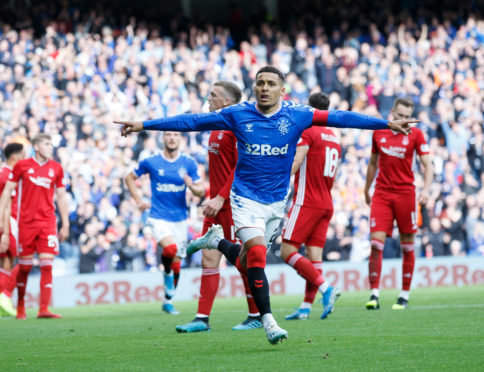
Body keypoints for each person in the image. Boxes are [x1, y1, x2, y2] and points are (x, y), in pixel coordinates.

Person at [114, 65, 416, 344]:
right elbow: (191, 121)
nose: (265, 88)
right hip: (244, 199)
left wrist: (385, 123)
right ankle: (268, 322)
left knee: (246, 261)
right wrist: (143, 124)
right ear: (254, 88)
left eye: (271, 83)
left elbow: (342, 117)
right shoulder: (237, 113)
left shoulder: (297, 115)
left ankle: (217, 242)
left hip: (275, 203)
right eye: (260, 83)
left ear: (282, 90)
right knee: (257, 254)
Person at [176, 81, 262, 333]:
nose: (208, 97)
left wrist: (221, 197)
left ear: (227, 102)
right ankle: (202, 318)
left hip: (233, 204)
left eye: (213, 95)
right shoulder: (216, 127)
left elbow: (242, 168)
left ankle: (256, 314)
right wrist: (207, 191)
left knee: (242, 261)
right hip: (215, 204)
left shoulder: (237, 128)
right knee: (208, 258)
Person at [364, 97, 433, 310]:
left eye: (407, 117)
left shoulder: (416, 134)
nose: (404, 120)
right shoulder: (379, 131)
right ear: (392, 112)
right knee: (376, 243)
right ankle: (374, 294)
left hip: (406, 194)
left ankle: (404, 295)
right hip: (382, 194)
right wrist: (367, 189)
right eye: (400, 116)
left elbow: (427, 164)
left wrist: (426, 190)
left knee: (407, 246)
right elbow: (373, 162)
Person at [124, 131, 204, 315]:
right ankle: (167, 276)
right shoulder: (152, 162)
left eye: (175, 134)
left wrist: (191, 186)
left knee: (177, 261)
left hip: (180, 219)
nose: (172, 137)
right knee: (170, 249)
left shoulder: (188, 163)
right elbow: (129, 177)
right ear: (163, 138)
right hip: (158, 216)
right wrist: (138, 200)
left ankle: (168, 300)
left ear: (180, 139)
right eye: (168, 134)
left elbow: (201, 192)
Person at [279, 92, 341, 320]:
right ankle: (306, 307)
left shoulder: (308, 131)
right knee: (314, 257)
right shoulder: (334, 137)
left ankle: (326, 288)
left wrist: (279, 179)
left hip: (307, 201)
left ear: (309, 109)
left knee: (287, 251)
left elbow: (297, 160)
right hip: (326, 202)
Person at [0, 134, 69, 319]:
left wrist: (66, 223)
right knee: (25, 267)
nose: (50, 147)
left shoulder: (57, 168)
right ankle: (21, 306)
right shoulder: (22, 166)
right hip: (26, 223)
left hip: (47, 222)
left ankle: (44, 309)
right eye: (47, 144)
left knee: (47, 265)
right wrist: (1, 217)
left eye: (51, 144)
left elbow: (61, 196)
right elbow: (7, 191)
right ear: (37, 146)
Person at [0, 143, 25, 317]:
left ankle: (4, 299)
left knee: (7, 262)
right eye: (23, 155)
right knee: (25, 258)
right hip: (9, 222)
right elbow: (7, 203)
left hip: (10, 221)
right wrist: (6, 231)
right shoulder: (8, 175)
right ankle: (5, 295)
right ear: (15, 157)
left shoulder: (4, 172)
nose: (25, 159)